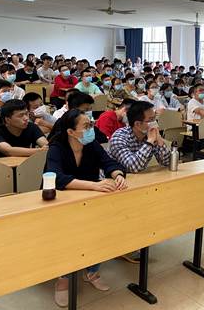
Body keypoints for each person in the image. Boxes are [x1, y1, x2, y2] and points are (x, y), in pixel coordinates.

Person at [46, 108, 128, 306]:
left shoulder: (91, 144)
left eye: (91, 124)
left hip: (89, 199)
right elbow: (57, 178)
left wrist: (117, 175)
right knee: (67, 237)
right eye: (86, 126)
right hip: (59, 201)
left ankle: (92, 271)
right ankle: (63, 279)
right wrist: (94, 185)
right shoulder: (57, 147)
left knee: (99, 230)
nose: (91, 128)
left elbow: (109, 162)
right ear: (70, 132)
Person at [108, 101, 170, 172]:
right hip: (116, 177)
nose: (155, 123)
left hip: (139, 176)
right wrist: (149, 142)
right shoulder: (119, 137)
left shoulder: (150, 135)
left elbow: (167, 162)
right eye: (151, 120)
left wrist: (160, 140)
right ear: (137, 124)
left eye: (155, 118)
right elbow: (132, 167)